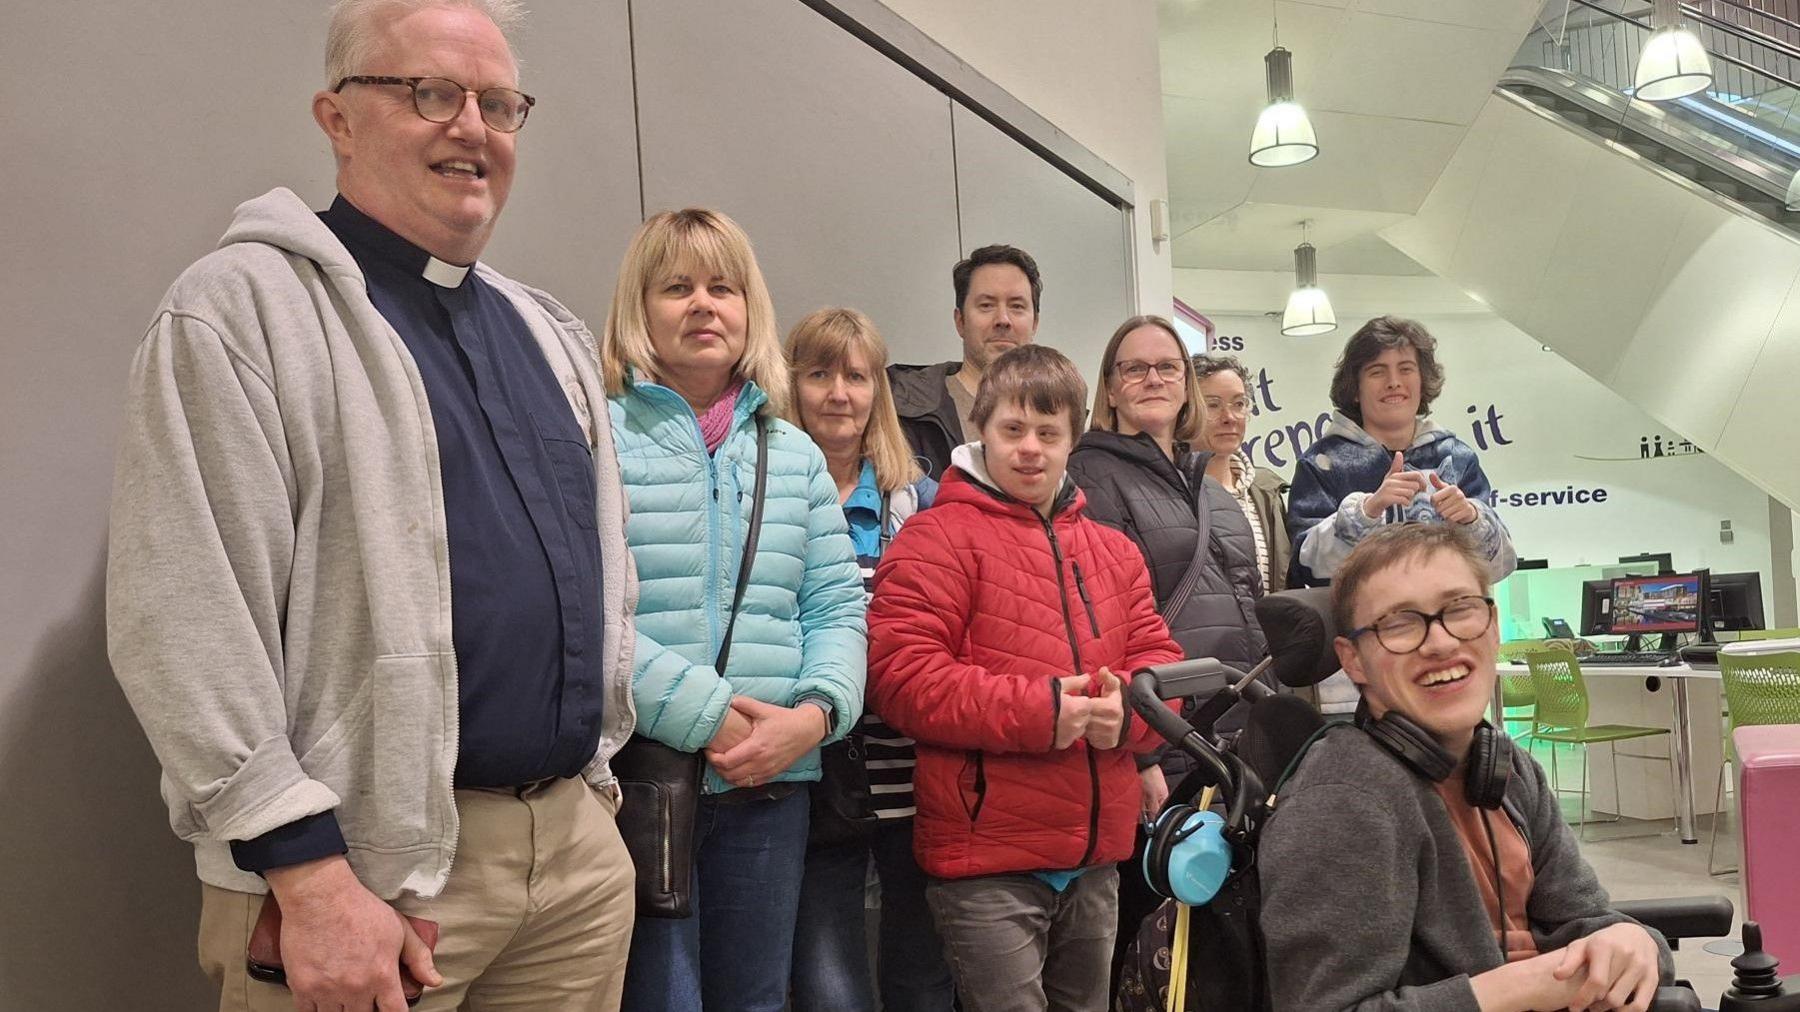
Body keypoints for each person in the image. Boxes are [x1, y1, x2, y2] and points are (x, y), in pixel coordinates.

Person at [106, 2, 638, 1009]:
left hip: (570, 864)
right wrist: (305, 871)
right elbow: (180, 621)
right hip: (359, 878)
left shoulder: (551, 334)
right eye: (430, 92)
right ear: (337, 118)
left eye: (498, 103)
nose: (472, 128)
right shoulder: (241, 310)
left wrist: (593, 805)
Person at [600, 208, 867, 1012]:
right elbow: (584, 614)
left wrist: (817, 716)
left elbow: (836, 606)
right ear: (640, 308)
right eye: (676, 287)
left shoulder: (792, 453)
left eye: (723, 287)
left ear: (750, 307)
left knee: (756, 1000)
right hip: (643, 782)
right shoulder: (598, 437)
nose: (702, 306)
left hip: (774, 788)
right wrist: (711, 717)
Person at [868, 344, 1185, 1012]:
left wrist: (1125, 710)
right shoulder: (933, 539)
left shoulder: (1114, 551)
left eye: (1049, 433)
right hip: (987, 860)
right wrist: (1045, 712)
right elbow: (900, 678)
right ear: (983, 428)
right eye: (1014, 430)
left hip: (1096, 856)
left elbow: (1162, 669)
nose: (1031, 449)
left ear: (1074, 440)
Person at [1260, 524, 1673, 1012]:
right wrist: (1519, 987)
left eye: (1460, 609)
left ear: (1493, 626)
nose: (1439, 642)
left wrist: (1634, 942)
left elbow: (1583, 916)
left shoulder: (1505, 768)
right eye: (1398, 624)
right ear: (1354, 661)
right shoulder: (1344, 802)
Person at [1066, 317, 1267, 994]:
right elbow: (1099, 624)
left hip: (1228, 740)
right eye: (1134, 368)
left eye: (1167, 367)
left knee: (1211, 938)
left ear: (1187, 388)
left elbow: (1249, 607)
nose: (1152, 379)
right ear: (1112, 390)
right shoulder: (1090, 474)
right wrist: (1142, 751)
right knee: (1145, 939)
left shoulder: (1212, 487)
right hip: (1164, 738)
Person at [782, 307, 951, 1012]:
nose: (839, 393)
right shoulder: (768, 490)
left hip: (915, 774)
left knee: (923, 978)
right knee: (828, 985)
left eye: (855, 376)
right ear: (792, 384)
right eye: (819, 374)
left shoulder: (923, 501)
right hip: (815, 773)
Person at [1286, 316, 1515, 588]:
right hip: (1364, 625)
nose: (1394, 382)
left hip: (1446, 620)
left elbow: (1500, 567)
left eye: (1406, 369)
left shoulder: (1455, 457)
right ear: (1355, 389)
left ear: (1423, 382)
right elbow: (1304, 569)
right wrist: (1365, 513)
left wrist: (1470, 519)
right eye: (1377, 371)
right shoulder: (1323, 463)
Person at [889, 244, 1042, 480]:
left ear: (1034, 324)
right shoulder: (905, 411)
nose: (1003, 319)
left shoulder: (1059, 414)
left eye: (1017, 306)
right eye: (987, 305)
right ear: (960, 321)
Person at [1192, 353, 1292, 593]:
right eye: (1213, 405)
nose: (1229, 418)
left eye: (1239, 404)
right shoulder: (1173, 491)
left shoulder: (1266, 489)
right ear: (1186, 411)